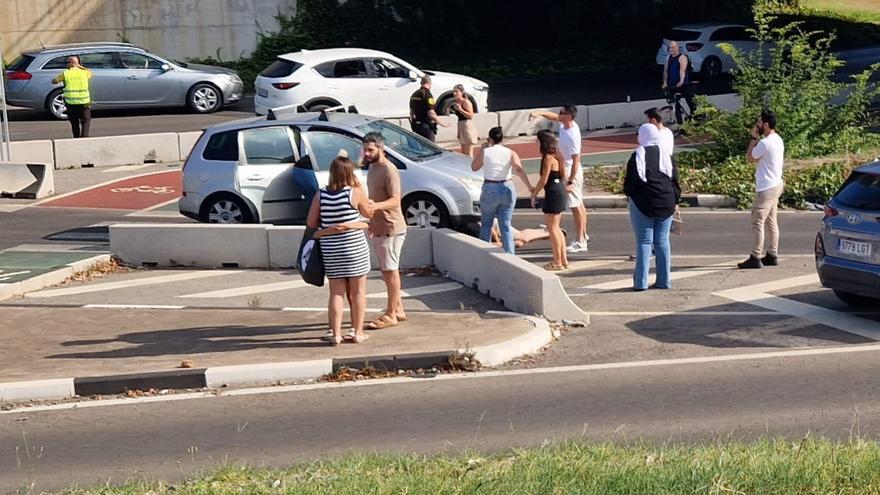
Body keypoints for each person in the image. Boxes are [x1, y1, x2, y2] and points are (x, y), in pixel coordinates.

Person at [306, 156, 373, 345]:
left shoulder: (321, 194)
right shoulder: (355, 192)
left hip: (331, 248)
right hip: (354, 248)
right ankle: (357, 332)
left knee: (336, 293)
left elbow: (311, 223)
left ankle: (335, 334)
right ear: (350, 173)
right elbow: (369, 214)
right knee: (358, 291)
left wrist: (329, 227)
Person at [624, 124, 680, 291]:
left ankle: (641, 282)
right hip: (666, 202)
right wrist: (675, 201)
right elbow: (675, 181)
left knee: (644, 241)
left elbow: (630, 183)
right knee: (662, 241)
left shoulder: (637, 156)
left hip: (643, 203)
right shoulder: (666, 155)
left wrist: (629, 194)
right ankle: (664, 281)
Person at [363, 132, 408, 329]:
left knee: (390, 271)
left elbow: (395, 200)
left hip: (392, 227)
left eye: (370, 150)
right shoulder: (373, 168)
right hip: (379, 226)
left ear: (381, 149)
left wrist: (375, 207)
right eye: (364, 149)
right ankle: (398, 308)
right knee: (387, 270)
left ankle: (391, 313)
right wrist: (372, 220)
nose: (366, 153)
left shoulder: (389, 170)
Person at [529, 105, 589, 253]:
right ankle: (583, 235)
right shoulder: (565, 124)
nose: (558, 115)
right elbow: (552, 116)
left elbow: (576, 160)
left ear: (568, 116)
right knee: (578, 204)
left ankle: (581, 241)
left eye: (561, 113)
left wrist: (569, 181)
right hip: (567, 168)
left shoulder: (572, 134)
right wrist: (538, 113)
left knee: (576, 206)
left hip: (570, 170)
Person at [471, 126, 533, 254]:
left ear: (490, 139)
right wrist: (530, 187)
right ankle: (510, 253)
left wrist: (482, 150)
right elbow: (519, 169)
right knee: (505, 224)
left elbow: (474, 167)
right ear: (502, 138)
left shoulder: (486, 152)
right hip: (507, 186)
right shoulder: (510, 152)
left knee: (486, 224)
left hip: (490, 187)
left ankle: (484, 253)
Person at [739, 110, 785, 269]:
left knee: (757, 222)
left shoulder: (765, 143)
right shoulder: (778, 139)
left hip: (765, 188)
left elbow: (750, 158)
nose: (757, 125)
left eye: (759, 122)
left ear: (765, 124)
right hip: (777, 184)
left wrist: (753, 138)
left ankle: (755, 256)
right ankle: (772, 254)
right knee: (771, 222)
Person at [530, 129, 568, 270]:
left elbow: (544, 179)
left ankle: (557, 261)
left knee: (552, 229)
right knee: (556, 228)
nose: (536, 142)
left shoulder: (547, 158)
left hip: (552, 192)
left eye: (538, 140)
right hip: (559, 190)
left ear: (543, 142)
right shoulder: (557, 156)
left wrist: (534, 193)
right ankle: (563, 260)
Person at [51, 56, 92, 138]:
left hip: (71, 102)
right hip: (84, 102)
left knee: (74, 122)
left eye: (68, 62)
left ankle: (76, 138)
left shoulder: (65, 74)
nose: (67, 64)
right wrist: (79, 66)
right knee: (85, 121)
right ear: (77, 64)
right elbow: (90, 72)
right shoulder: (85, 73)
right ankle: (85, 137)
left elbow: (54, 81)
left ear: (70, 63)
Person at [662, 41, 697, 120]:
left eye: (673, 48)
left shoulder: (682, 57)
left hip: (684, 84)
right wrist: (664, 82)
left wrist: (681, 81)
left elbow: (682, 70)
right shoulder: (668, 57)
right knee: (675, 102)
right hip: (672, 84)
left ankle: (694, 117)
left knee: (691, 102)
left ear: (677, 48)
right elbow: (666, 71)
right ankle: (679, 122)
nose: (671, 49)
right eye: (670, 48)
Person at [409, 75, 447, 141]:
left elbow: (411, 112)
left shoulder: (414, 94)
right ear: (430, 83)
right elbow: (431, 113)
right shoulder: (427, 94)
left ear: (421, 83)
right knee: (431, 147)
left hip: (416, 125)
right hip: (426, 126)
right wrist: (441, 123)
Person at [452, 84, 479, 157]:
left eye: (456, 92)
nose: (454, 93)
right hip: (461, 125)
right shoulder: (456, 103)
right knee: (464, 154)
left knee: (469, 153)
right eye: (453, 92)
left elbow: (470, 116)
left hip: (467, 126)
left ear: (461, 92)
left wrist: (460, 110)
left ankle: (471, 167)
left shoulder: (466, 102)